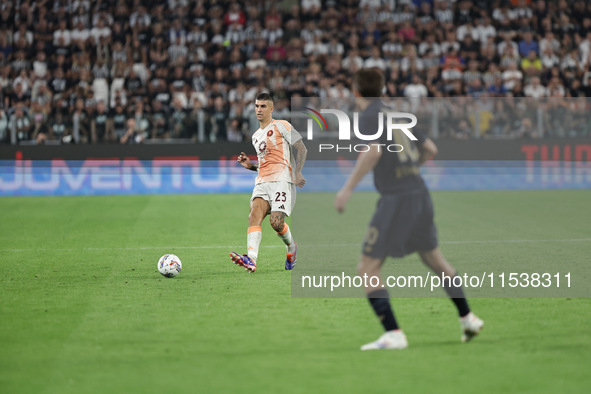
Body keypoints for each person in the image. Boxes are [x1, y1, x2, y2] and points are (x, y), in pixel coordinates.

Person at [334, 68, 483, 350]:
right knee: (435, 261)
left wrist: (348, 188)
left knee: (367, 268)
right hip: (419, 193)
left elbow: (374, 150)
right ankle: (468, 318)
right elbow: (431, 149)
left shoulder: (368, 116)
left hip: (396, 200)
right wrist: (409, 168)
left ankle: (394, 333)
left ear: (355, 92)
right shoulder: (398, 113)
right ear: (383, 88)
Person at [231, 92, 307, 273]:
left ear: (271, 109)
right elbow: (265, 163)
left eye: (263, 106)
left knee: (276, 223)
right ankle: (251, 259)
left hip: (282, 180)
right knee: (253, 216)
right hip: (262, 182)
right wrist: (250, 166)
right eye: (257, 106)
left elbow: (301, 148)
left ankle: (291, 249)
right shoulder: (256, 136)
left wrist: (297, 171)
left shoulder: (282, 126)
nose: (259, 109)